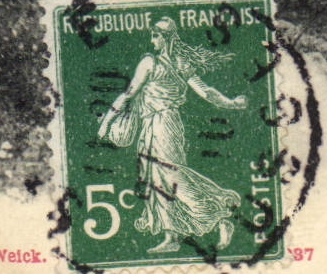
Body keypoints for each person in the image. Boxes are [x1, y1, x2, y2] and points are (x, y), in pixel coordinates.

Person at [98, 17, 247, 254]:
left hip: (162, 125)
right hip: (156, 125)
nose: (152, 40)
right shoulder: (179, 62)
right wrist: (232, 103)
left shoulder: (151, 62)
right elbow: (206, 92)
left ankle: (219, 215)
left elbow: (128, 94)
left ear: (166, 37)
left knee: (169, 175)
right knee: (157, 179)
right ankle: (172, 236)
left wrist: (106, 123)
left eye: (156, 35)